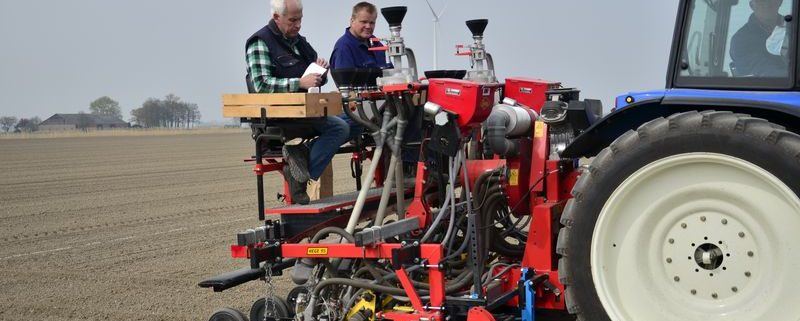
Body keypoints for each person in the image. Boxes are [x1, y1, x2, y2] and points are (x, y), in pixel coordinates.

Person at [246, 0, 356, 204]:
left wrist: (320, 73)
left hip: (305, 111)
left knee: (356, 121)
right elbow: (261, 84)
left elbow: (312, 76)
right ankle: (298, 180)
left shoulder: (300, 43)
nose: (297, 25)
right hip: (279, 116)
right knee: (339, 128)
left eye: (300, 19)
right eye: (293, 20)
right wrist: (300, 82)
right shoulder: (260, 42)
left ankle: (301, 154)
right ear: (276, 18)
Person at [730, 0, 790, 77]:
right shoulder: (740, 41)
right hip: (769, 87)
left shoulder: (795, 30)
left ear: (780, 2)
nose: (766, 4)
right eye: (760, 1)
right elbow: (762, 71)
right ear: (752, 5)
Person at [329, 2, 393, 71]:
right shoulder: (344, 47)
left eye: (372, 23)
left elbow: (391, 73)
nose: (368, 26)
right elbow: (345, 81)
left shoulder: (376, 44)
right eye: (364, 22)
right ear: (352, 21)